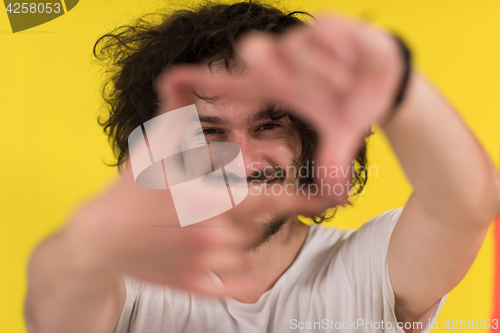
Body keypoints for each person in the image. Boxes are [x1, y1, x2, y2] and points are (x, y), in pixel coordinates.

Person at [24, 1, 500, 333]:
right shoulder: (127, 276)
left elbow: (466, 204)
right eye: (209, 131)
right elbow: (56, 304)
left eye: (269, 125)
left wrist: (395, 84)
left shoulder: (368, 268)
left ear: (309, 140)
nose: (243, 161)